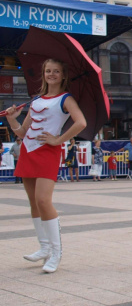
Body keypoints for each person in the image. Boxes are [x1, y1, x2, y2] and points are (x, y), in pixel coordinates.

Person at [4, 58, 87, 273]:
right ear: (44, 74)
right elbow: (22, 132)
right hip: (28, 151)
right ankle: (44, 247)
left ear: (63, 75)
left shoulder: (66, 99)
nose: (51, 74)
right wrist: (12, 119)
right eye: (48, 71)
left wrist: (58, 140)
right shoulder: (36, 100)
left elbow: (81, 122)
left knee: (43, 200)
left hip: (48, 152)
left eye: (56, 71)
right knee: (34, 202)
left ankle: (56, 252)